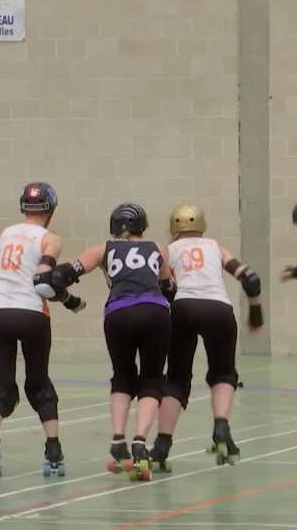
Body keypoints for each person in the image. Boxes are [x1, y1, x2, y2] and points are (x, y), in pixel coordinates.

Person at [51, 203, 174, 481]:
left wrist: (61, 291)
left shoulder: (103, 249)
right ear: (142, 226)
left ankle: (118, 438)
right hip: (155, 311)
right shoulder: (157, 249)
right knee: (152, 379)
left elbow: (64, 274)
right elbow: (169, 289)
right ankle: (140, 440)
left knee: (122, 376)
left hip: (118, 312)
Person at [0, 182, 86, 479]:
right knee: (38, 383)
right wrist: (70, 300)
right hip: (31, 314)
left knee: (3, 384)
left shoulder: (5, 234)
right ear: (50, 209)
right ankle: (52, 448)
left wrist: (3, 285)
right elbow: (43, 284)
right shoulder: (50, 239)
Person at [152, 205, 263, 469]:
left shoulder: (168, 251)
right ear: (201, 226)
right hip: (218, 309)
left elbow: (162, 285)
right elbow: (251, 279)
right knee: (224, 372)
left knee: (177, 378)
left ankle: (161, 445)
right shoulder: (214, 247)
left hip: (183, 308)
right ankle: (221, 428)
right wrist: (256, 313)